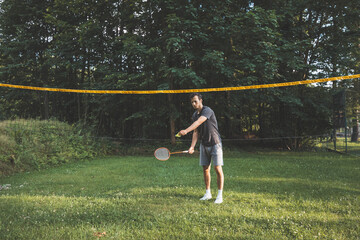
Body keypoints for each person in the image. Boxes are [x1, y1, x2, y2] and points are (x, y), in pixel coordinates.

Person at [178, 93, 224, 204]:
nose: (194, 104)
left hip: (215, 143)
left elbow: (199, 122)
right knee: (205, 169)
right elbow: (196, 132)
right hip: (204, 144)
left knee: (217, 168)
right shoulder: (194, 115)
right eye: (192, 102)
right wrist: (192, 146)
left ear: (201, 100)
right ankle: (208, 193)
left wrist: (185, 130)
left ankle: (219, 195)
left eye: (195, 101)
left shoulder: (207, 111)